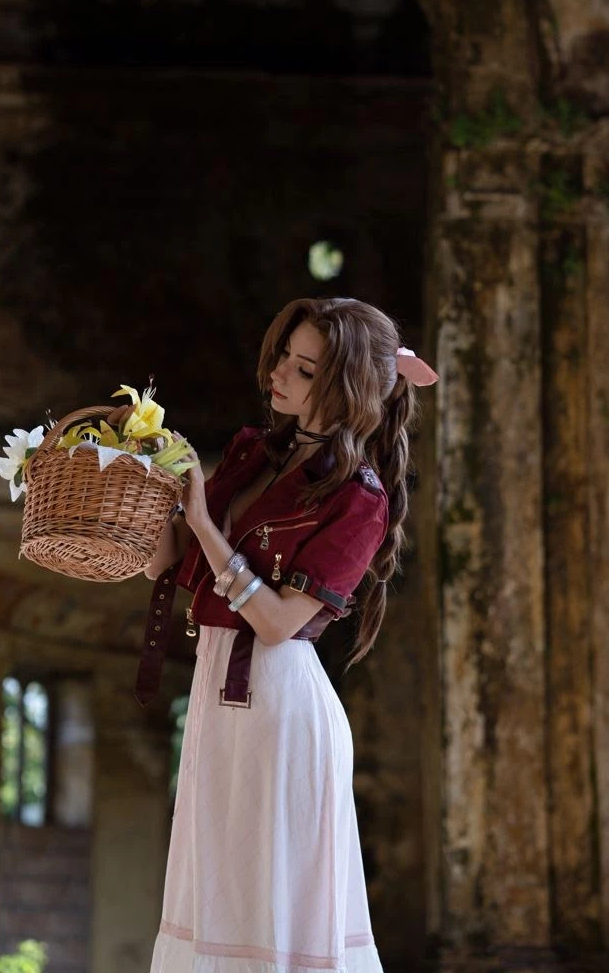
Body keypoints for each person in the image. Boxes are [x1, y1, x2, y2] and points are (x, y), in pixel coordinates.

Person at [134, 296, 438, 973]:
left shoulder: (359, 500)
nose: (280, 374)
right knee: (215, 896)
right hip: (215, 703)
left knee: (267, 908)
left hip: (280, 710)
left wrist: (204, 521)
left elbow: (276, 623)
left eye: (305, 369)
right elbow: (164, 562)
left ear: (345, 386)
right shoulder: (250, 453)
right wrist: (154, 478)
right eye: (283, 357)